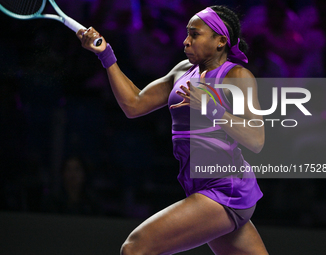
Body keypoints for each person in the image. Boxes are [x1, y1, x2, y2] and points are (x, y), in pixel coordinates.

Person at [77, 5, 268, 255]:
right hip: (201, 187)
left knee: (135, 249)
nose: (185, 41)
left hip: (225, 188)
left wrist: (211, 108)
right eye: (187, 34)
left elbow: (256, 139)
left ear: (220, 41)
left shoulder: (237, 77)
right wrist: (106, 55)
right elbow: (134, 104)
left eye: (194, 34)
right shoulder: (182, 71)